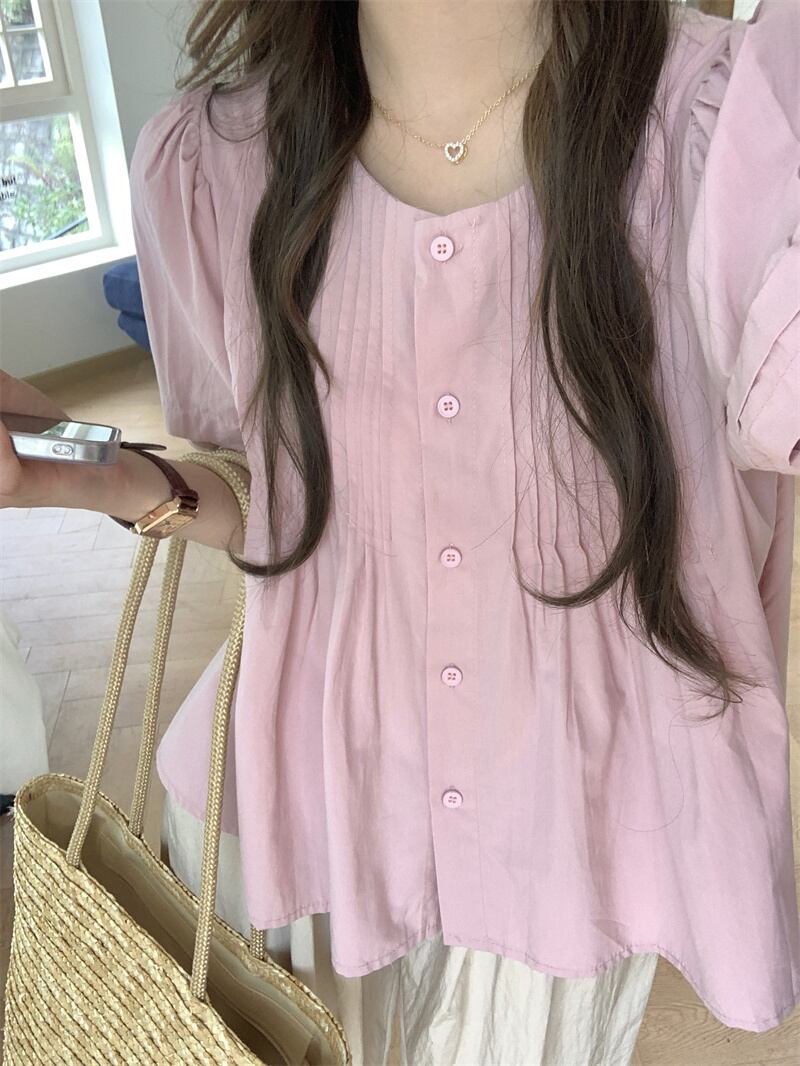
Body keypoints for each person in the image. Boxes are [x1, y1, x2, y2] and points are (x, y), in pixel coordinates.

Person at [2, 0, 798, 1061]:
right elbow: (278, 505)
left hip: (571, 830)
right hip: (305, 801)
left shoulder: (732, 129)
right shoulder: (210, 162)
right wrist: (85, 474)